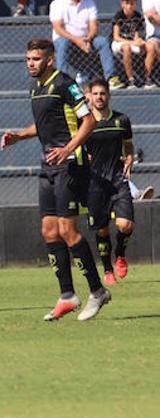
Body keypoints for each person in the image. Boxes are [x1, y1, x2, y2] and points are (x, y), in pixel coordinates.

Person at [0, 38, 111, 322]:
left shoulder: (65, 84)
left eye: (35, 59)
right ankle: (67, 296)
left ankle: (98, 292)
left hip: (70, 164)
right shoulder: (35, 88)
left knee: (67, 230)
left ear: (49, 60)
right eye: (28, 59)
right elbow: (43, 124)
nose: (30, 64)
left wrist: (68, 149)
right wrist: (18, 137)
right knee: (49, 231)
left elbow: (89, 121)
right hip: (49, 165)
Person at [84, 78, 135, 285]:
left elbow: (129, 145)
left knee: (125, 225)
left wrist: (130, 158)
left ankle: (120, 253)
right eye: (95, 94)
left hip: (117, 179)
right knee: (102, 229)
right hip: (95, 182)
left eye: (102, 93)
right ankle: (107, 269)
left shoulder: (121, 120)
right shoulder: (85, 123)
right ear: (89, 96)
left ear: (109, 95)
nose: (99, 97)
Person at [49, 0, 125, 89]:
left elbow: (94, 27)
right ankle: (61, 82)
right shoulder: (57, 3)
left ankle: (112, 78)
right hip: (66, 40)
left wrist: (89, 39)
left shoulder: (90, 3)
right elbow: (58, 28)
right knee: (63, 43)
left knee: (102, 42)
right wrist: (78, 41)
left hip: (86, 39)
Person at [111, 0, 154, 88]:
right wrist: (133, 42)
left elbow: (136, 36)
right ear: (122, 4)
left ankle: (147, 79)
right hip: (118, 43)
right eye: (127, 3)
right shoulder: (119, 16)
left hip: (132, 43)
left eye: (132, 3)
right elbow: (116, 37)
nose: (130, 6)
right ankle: (131, 80)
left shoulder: (138, 16)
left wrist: (140, 42)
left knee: (150, 47)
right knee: (126, 48)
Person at [142, 0, 160, 86]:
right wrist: (155, 15)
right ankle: (148, 79)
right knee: (152, 46)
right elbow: (151, 16)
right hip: (154, 35)